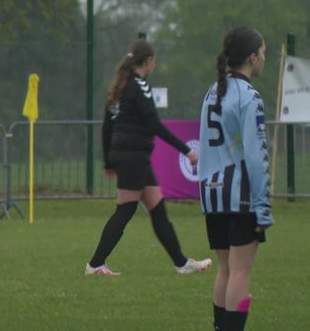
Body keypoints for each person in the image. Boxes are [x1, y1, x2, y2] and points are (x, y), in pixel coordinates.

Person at [85, 39, 212, 276]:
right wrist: (186, 150)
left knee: (157, 210)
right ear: (149, 61)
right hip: (134, 156)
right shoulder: (140, 86)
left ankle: (181, 263)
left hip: (129, 156)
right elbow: (154, 124)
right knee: (125, 210)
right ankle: (95, 264)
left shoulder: (120, 87)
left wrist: (109, 160)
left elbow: (106, 126)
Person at [198, 26, 274, 331]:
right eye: (264, 53)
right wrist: (263, 206)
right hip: (240, 195)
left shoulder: (212, 91)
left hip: (213, 194)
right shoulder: (249, 96)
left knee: (225, 270)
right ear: (252, 57)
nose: (265, 59)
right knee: (241, 273)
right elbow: (256, 155)